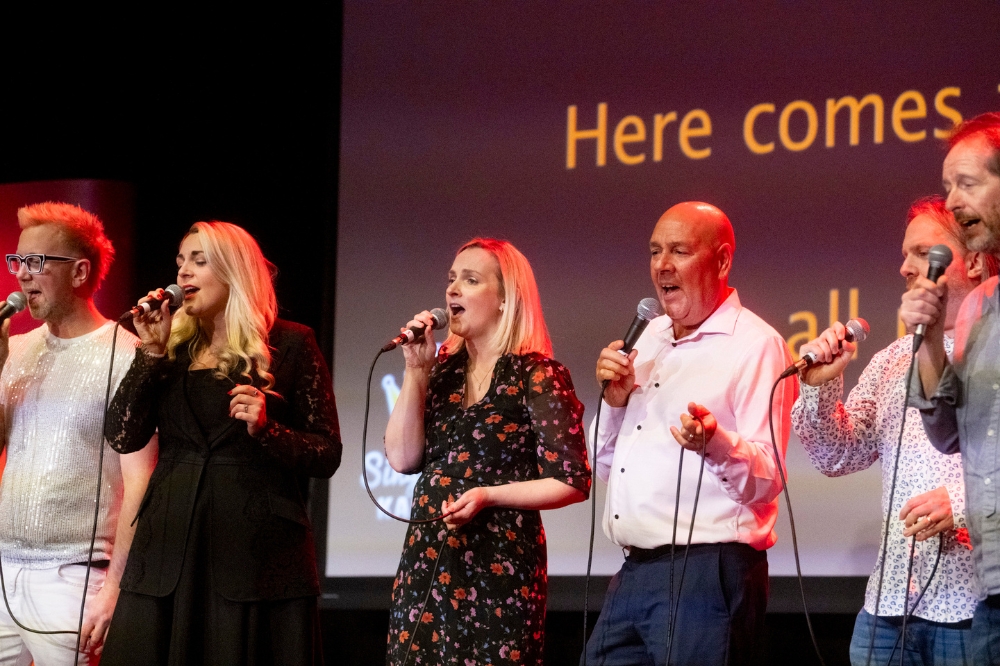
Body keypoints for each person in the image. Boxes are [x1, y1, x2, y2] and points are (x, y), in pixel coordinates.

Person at [99, 221, 342, 666]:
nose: (183, 272)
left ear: (234, 271)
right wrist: (150, 355)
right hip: (169, 548)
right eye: (180, 262)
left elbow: (326, 453)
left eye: (199, 261)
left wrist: (268, 430)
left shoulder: (291, 343)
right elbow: (121, 435)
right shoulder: (171, 348)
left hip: (255, 558)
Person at [586, 202, 796, 666]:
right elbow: (603, 465)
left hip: (707, 574)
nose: (662, 265)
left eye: (679, 251)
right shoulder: (648, 338)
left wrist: (715, 444)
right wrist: (614, 403)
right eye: (655, 251)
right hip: (634, 571)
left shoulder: (756, 345)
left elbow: (768, 479)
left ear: (721, 261)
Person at [793, 196, 995, 666]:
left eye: (923, 253)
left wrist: (963, 502)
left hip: (973, 610)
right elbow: (835, 456)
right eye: (905, 254)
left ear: (974, 260)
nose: (905, 267)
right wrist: (820, 387)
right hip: (887, 610)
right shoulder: (894, 359)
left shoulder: (996, 350)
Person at [383, 237, 591, 665]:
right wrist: (416, 370)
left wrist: (489, 495)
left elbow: (571, 480)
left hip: (499, 570)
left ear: (505, 299)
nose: (452, 289)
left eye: (471, 280)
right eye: (451, 278)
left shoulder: (536, 375)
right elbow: (402, 459)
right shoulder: (441, 371)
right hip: (428, 565)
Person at [0, 201, 157, 664]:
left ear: (80, 271)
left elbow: (141, 481)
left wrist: (114, 590)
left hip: (74, 577)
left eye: (36, 262)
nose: (21, 275)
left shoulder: (127, 354)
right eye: (17, 261)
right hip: (4, 568)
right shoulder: (15, 349)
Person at [902, 112, 1000, 663]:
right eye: (947, 187)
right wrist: (931, 340)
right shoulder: (978, 309)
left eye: (967, 183)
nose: (954, 202)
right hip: (993, 588)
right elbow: (946, 435)